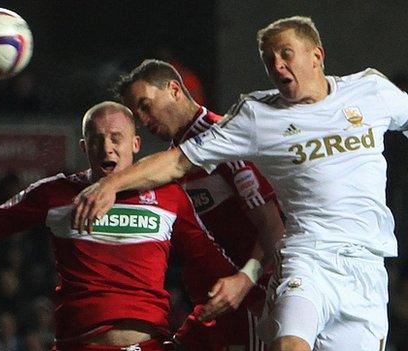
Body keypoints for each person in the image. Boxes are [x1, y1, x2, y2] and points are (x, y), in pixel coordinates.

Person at [73, 16, 408, 351]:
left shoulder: (371, 92)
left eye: (285, 54)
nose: (277, 65)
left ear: (317, 55)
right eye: (269, 60)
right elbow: (177, 161)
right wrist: (111, 184)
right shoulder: (257, 116)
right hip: (306, 259)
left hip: (367, 267)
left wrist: (245, 277)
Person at [0, 101, 237, 351]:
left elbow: (210, 264)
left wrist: (250, 281)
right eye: (98, 139)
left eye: (117, 138)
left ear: (136, 144)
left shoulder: (169, 196)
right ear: (84, 146)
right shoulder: (56, 194)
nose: (108, 148)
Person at [113, 59, 286, 350]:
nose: (143, 118)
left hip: (253, 302)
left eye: (145, 105)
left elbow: (275, 226)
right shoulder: (173, 159)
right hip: (212, 305)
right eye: (136, 113)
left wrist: (246, 280)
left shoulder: (223, 141)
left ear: (174, 90)